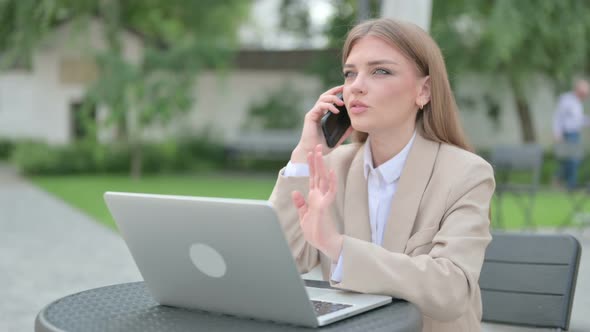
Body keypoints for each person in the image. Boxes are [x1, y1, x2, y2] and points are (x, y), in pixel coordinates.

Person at [269, 18, 495, 332]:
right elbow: (282, 261)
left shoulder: (466, 174)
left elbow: (451, 290)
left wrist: (337, 247)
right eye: (350, 73)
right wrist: (304, 156)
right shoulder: (333, 166)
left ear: (424, 90)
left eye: (380, 71)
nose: (357, 85)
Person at [552, 79, 590, 190]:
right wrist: (557, 132)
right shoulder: (566, 100)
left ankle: (559, 179)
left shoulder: (578, 102)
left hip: (576, 133)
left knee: (574, 159)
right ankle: (570, 184)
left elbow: (577, 120)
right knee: (572, 159)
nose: (585, 96)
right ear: (578, 90)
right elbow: (558, 117)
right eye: (584, 93)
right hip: (567, 134)